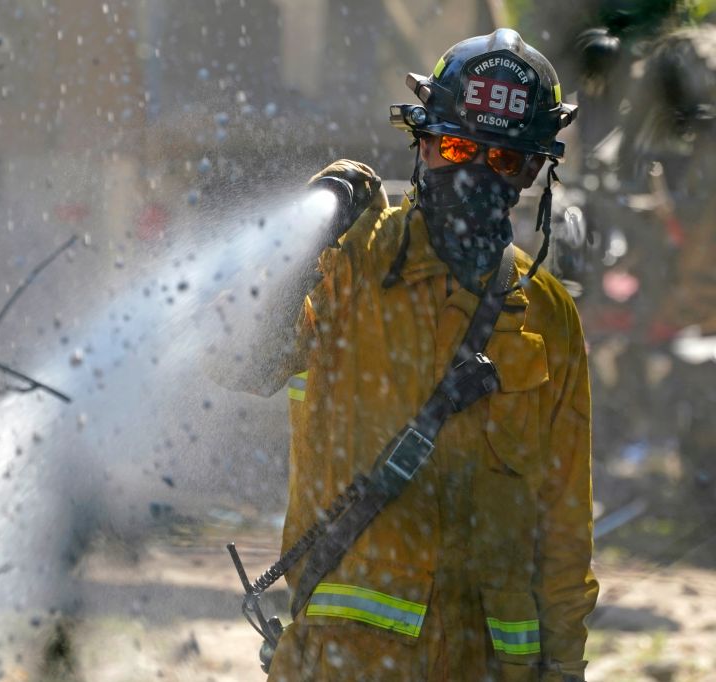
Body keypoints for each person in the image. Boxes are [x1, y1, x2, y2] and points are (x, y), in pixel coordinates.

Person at [229, 29, 599, 681]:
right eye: (457, 147)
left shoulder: (547, 317)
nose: (479, 174)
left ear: (535, 170)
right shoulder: (351, 264)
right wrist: (296, 254)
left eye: (507, 161)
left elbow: (564, 529)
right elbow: (240, 362)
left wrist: (564, 670)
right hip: (348, 665)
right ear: (422, 143)